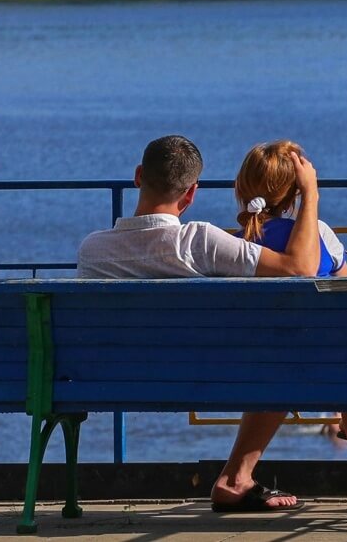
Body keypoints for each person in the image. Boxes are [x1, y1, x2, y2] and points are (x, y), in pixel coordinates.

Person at [77, 135, 326, 513]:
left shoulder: (92, 250)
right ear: (191, 192)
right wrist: (310, 194)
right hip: (207, 378)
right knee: (283, 359)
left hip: (107, 380)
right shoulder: (201, 241)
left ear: (138, 176)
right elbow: (300, 268)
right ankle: (237, 476)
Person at [233, 140, 347, 513]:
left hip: (258, 370)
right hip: (327, 370)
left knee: (286, 361)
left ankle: (237, 473)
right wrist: (312, 195)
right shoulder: (319, 236)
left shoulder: (231, 245)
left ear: (242, 189)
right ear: (294, 194)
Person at [235, 140, 347, 278]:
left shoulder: (230, 248)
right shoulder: (320, 234)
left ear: (240, 190)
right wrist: (310, 192)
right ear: (289, 201)